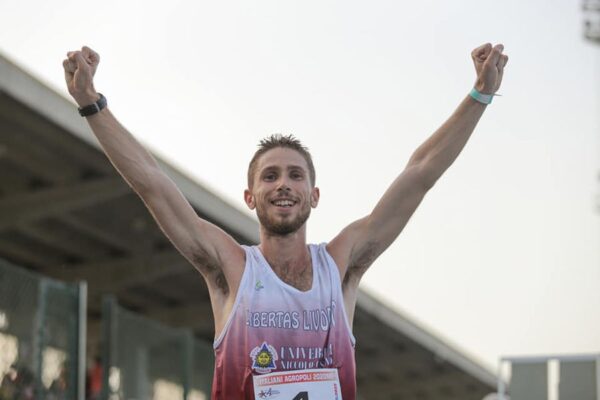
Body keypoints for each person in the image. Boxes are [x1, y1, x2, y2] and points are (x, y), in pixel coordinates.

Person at [63, 42, 508, 400]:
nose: (283, 185)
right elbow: (153, 184)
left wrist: (480, 95)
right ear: (250, 197)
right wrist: (91, 104)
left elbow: (419, 175)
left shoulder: (341, 265)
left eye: (296, 176)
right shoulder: (231, 268)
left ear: (314, 196)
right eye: (270, 176)